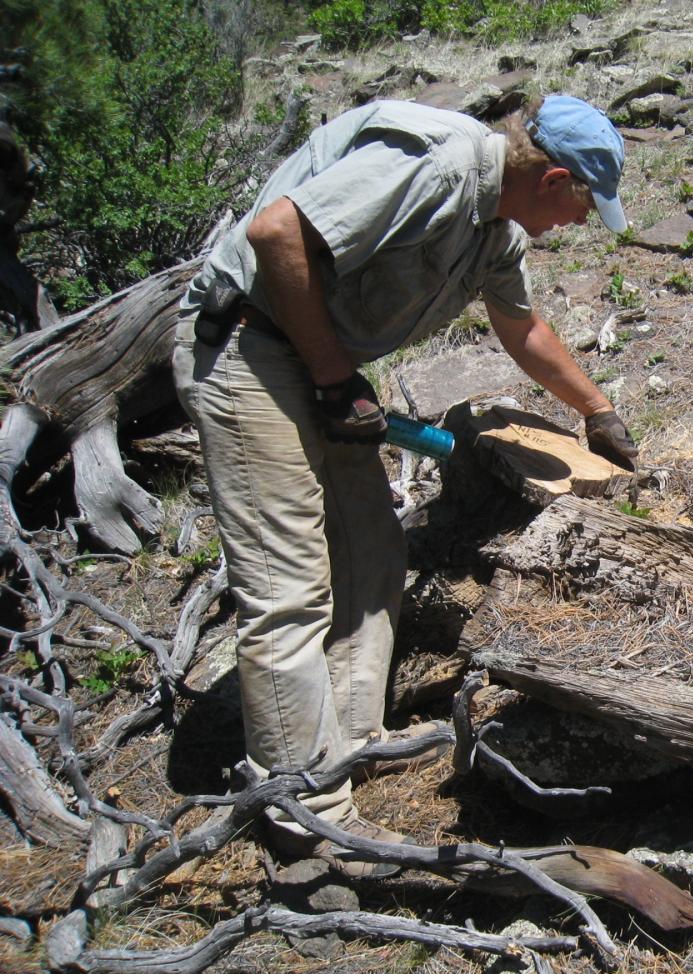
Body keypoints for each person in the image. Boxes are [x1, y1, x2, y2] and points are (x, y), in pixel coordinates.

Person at [171, 95, 637, 877]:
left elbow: (523, 329)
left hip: (317, 365)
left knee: (373, 551)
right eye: (585, 205)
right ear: (553, 178)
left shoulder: (495, 231)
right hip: (251, 349)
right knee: (288, 585)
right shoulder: (440, 166)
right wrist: (332, 376)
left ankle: (349, 743)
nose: (581, 224)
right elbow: (275, 232)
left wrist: (598, 412)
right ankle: (303, 817)